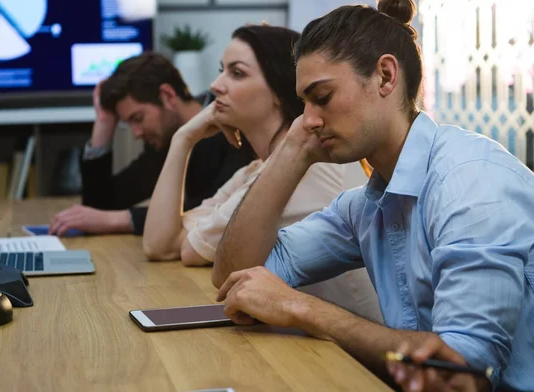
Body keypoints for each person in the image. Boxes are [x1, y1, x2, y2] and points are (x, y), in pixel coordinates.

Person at [212, 0, 533, 391]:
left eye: (323, 97)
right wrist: (292, 151)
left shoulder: (470, 182)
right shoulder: (366, 205)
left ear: (385, 76)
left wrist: (301, 308)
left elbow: (462, 370)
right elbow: (234, 278)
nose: (309, 119)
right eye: (303, 104)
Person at [142, 24, 382, 322]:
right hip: (321, 342)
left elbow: (185, 249)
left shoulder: (309, 167)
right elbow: (161, 242)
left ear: (279, 91)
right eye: (222, 70)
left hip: (355, 358)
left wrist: (183, 140)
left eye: (237, 73)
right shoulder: (255, 169)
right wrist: (183, 140)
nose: (216, 85)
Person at [49, 53, 255, 236]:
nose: (136, 133)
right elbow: (100, 208)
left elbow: (218, 211)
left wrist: (116, 220)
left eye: (137, 118)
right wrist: (104, 123)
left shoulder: (231, 125)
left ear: (167, 96)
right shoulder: (162, 140)